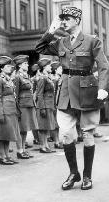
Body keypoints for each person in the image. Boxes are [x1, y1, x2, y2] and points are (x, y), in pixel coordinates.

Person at [36, 6, 109, 190]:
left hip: (87, 91)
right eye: (62, 19)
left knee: (88, 133)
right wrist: (51, 30)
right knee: (67, 134)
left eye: (66, 18)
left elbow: (103, 66)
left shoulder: (92, 41)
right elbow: (40, 48)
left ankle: (87, 176)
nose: (63, 22)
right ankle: (74, 173)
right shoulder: (61, 42)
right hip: (66, 93)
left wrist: (103, 88)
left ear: (77, 20)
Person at [0, 56, 20, 165]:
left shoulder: (7, 79)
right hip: (3, 110)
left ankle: (7, 155)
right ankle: (2, 157)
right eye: (8, 66)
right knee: (1, 134)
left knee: (7, 134)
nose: (10, 68)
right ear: (2, 68)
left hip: (10, 110)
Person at [13, 55, 39, 158]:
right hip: (22, 106)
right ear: (19, 65)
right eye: (25, 63)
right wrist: (17, 109)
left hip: (29, 105)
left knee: (25, 129)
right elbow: (16, 94)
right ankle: (19, 150)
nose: (27, 65)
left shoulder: (26, 75)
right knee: (21, 129)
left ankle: (23, 149)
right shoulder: (17, 76)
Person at [35, 58, 56, 153]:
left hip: (49, 104)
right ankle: (42, 146)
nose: (50, 67)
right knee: (42, 127)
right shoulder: (42, 78)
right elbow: (39, 94)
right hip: (44, 105)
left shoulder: (47, 77)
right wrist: (42, 108)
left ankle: (46, 145)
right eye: (49, 65)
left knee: (46, 127)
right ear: (44, 67)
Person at [50, 61, 63, 149]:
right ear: (55, 69)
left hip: (58, 103)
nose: (62, 70)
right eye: (60, 68)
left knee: (58, 124)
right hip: (54, 103)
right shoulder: (55, 79)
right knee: (55, 124)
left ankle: (58, 140)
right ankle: (56, 142)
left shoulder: (59, 78)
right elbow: (54, 93)